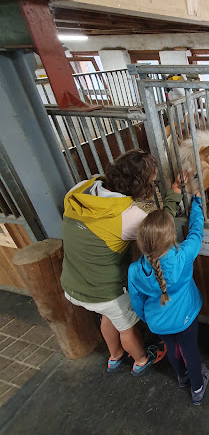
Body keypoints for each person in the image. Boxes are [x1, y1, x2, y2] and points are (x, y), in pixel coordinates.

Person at [60, 149, 177, 376]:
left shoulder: (80, 190)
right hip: (106, 292)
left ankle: (114, 356)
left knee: (108, 317)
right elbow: (160, 229)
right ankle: (141, 359)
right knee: (126, 328)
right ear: (141, 185)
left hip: (72, 284)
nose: (154, 186)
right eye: (152, 182)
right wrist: (173, 196)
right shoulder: (130, 217)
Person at [128, 182, 209, 405]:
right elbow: (196, 232)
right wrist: (197, 203)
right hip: (185, 318)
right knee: (190, 351)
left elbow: (137, 302)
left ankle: (182, 377)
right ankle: (197, 388)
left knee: (172, 350)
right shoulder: (183, 255)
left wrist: (149, 318)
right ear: (172, 237)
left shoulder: (134, 270)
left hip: (158, 322)